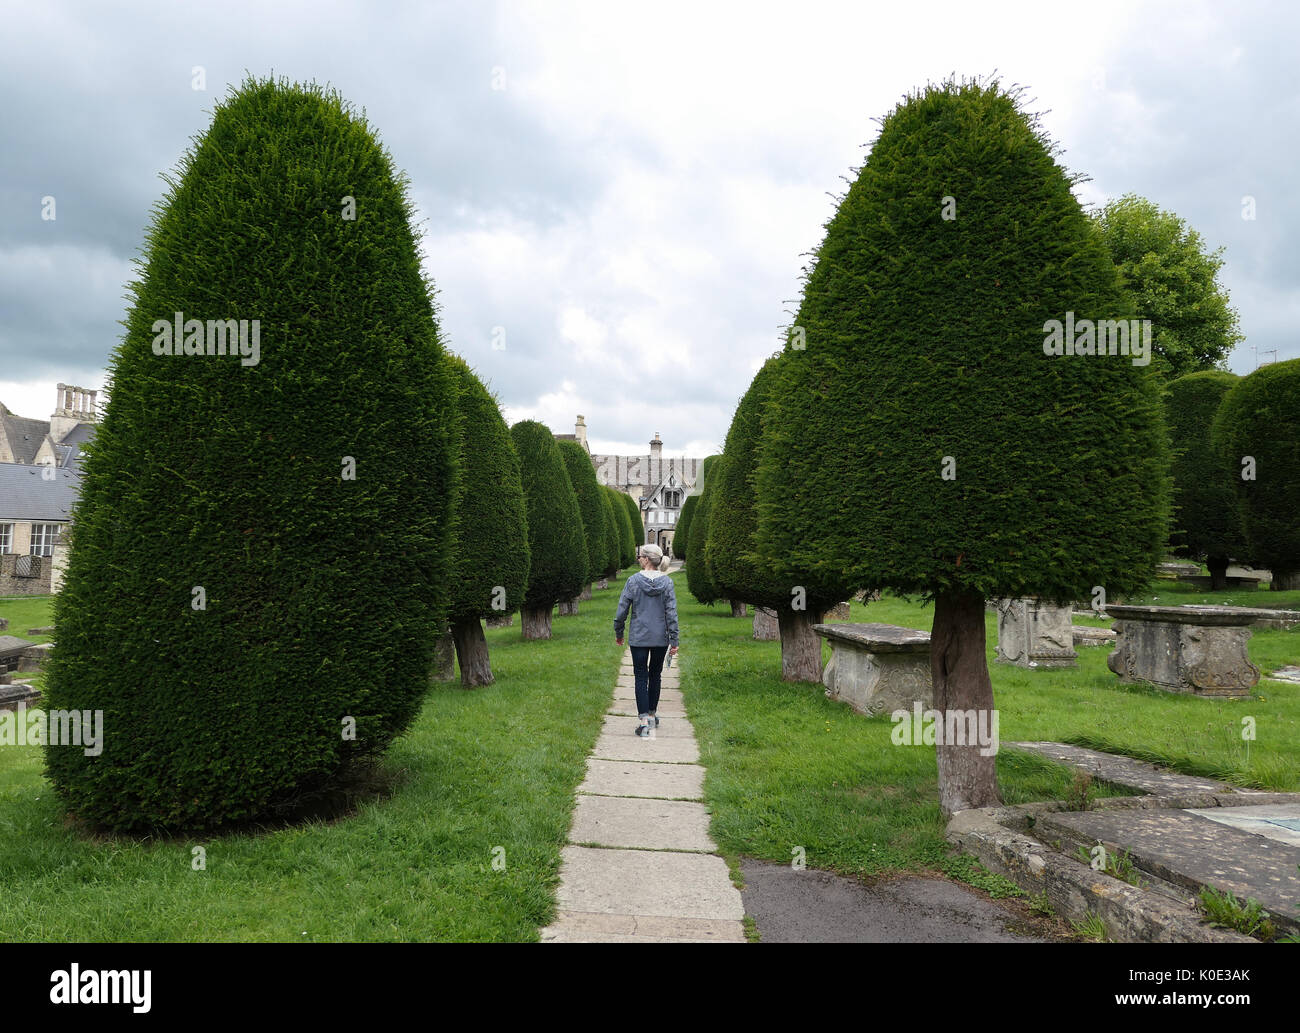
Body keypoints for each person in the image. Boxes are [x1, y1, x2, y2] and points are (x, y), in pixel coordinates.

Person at [614, 544, 679, 737]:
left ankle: (643, 722)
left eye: (640, 556)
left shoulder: (633, 581)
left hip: (639, 638)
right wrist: (674, 639)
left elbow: (621, 612)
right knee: (655, 675)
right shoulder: (667, 583)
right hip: (660, 638)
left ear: (647, 559)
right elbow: (671, 613)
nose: (638, 559)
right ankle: (652, 714)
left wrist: (619, 632)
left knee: (641, 676)